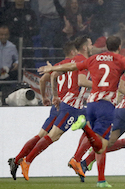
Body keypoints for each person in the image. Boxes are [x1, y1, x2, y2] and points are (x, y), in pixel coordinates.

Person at [36, 36, 125, 187]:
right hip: (119, 106)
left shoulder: (95, 59)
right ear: (120, 46)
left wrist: (52, 68)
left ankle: (83, 161)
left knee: (116, 141)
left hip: (92, 103)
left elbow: (71, 67)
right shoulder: (121, 60)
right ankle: (104, 173)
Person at [18, 37, 93, 181]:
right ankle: (27, 161)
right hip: (72, 105)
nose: (92, 46)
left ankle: (76, 160)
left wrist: (55, 96)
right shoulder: (83, 61)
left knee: (94, 128)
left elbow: (54, 74)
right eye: (90, 44)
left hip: (77, 105)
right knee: (53, 136)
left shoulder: (72, 60)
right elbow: (80, 81)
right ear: (84, 47)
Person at [7, 41, 78, 180]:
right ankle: (27, 161)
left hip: (56, 106)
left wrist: (46, 97)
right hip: (68, 105)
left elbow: (42, 80)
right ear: (72, 52)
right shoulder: (73, 64)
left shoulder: (59, 65)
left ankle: (17, 160)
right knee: (56, 135)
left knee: (41, 135)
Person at [0, 0, 38, 68]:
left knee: (29, 67)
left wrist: (25, 30)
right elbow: (7, 29)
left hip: (27, 44)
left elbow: (36, 29)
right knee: (13, 67)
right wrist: (26, 28)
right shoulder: (8, 13)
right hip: (13, 43)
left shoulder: (30, 12)